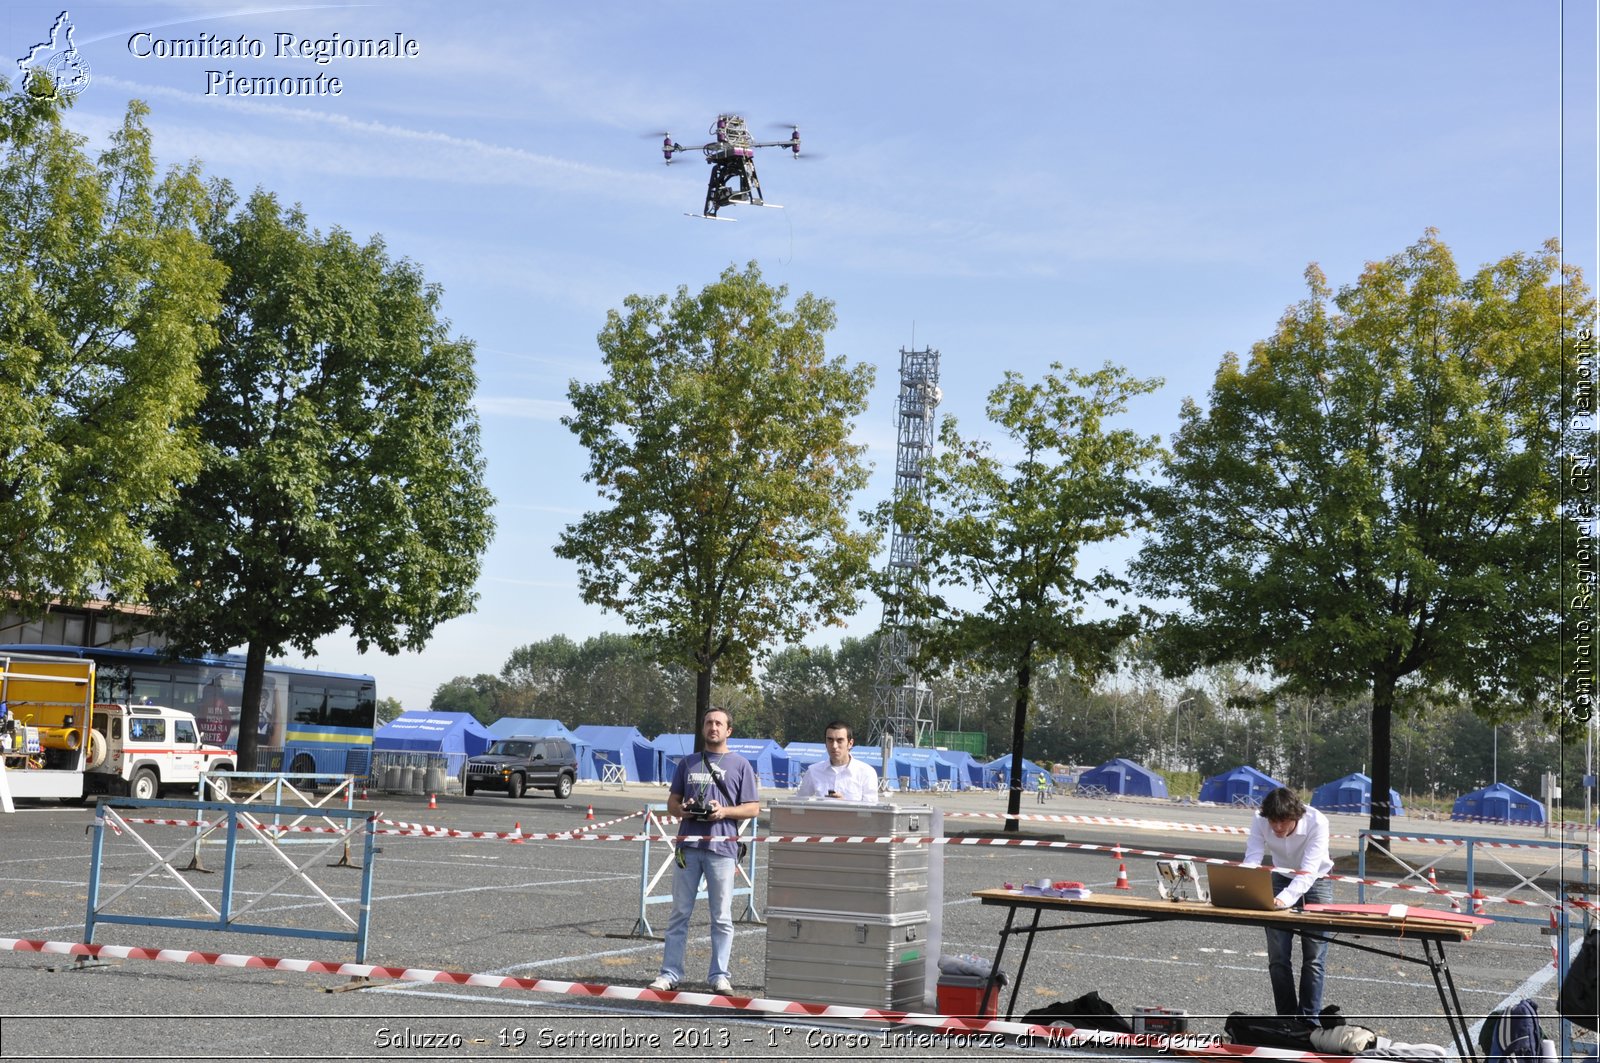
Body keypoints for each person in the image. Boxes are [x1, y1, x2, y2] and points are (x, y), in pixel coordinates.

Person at [650, 707, 760, 994]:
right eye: (709, 722)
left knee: (721, 917)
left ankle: (720, 975)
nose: (713, 727)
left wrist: (723, 812)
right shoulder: (687, 763)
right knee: (679, 914)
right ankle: (669, 973)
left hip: (722, 849)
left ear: (729, 731)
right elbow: (671, 803)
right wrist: (683, 809)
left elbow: (753, 807)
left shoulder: (740, 765)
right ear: (703, 728)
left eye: (719, 723)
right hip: (689, 845)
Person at [1242, 786, 1335, 1022]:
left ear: (1296, 815)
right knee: (1277, 957)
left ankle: (1308, 1022)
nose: (1277, 827)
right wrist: (1241, 888)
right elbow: (1252, 858)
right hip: (1280, 876)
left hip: (1317, 880)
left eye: (1283, 821)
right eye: (1273, 821)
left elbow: (1308, 872)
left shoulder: (1318, 822)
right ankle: (1285, 1020)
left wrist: (1283, 899)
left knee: (1314, 957)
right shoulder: (1259, 818)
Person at [794, 721, 879, 802]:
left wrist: (844, 804)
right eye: (830, 740)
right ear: (825, 743)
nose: (834, 746)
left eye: (840, 740)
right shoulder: (813, 771)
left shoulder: (866, 773)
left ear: (850, 743)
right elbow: (799, 803)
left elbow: (872, 810)